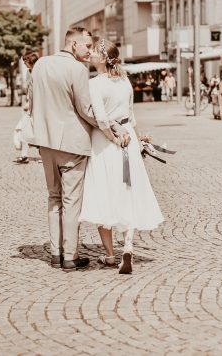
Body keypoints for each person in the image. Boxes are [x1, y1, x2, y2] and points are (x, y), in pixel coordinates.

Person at [30, 27, 130, 272]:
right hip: (72, 144)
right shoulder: (77, 69)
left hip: (45, 142)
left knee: (54, 198)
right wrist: (111, 127)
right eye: (86, 45)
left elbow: (32, 102)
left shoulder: (41, 64)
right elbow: (86, 109)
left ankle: (55, 253)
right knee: (71, 200)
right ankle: (70, 256)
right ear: (73, 44)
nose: (89, 50)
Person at [79, 38, 164, 274]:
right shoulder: (125, 80)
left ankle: (109, 256)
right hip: (129, 139)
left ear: (103, 58)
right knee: (129, 191)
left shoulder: (95, 84)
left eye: (94, 51)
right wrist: (137, 140)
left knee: (103, 192)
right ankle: (127, 246)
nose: (91, 54)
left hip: (106, 143)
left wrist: (113, 138)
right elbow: (132, 115)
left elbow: (102, 118)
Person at [15, 52, 39, 164]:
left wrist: (30, 104)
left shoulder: (39, 72)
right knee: (25, 130)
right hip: (30, 106)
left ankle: (45, 155)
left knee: (38, 132)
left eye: (25, 61)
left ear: (30, 61)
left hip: (38, 107)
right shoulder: (30, 72)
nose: (24, 64)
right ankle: (24, 155)